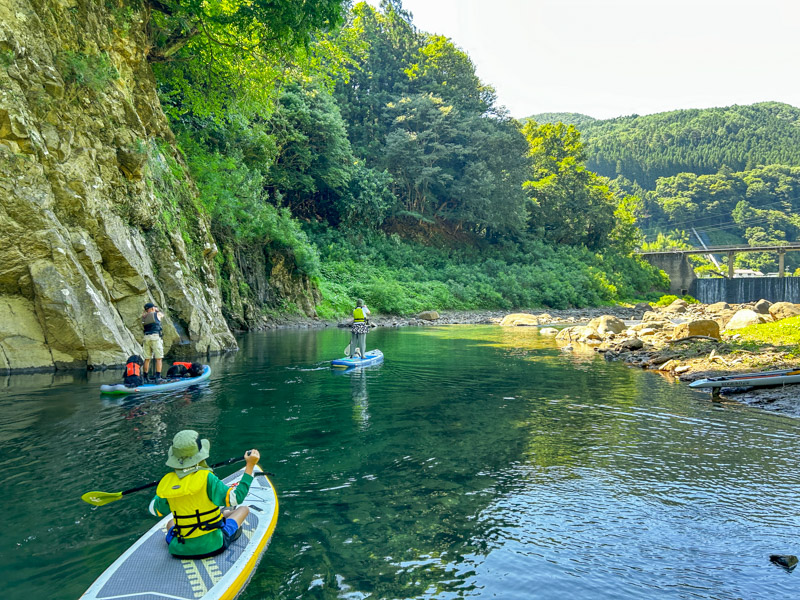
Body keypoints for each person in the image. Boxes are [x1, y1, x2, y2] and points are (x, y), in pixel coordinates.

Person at [148, 430, 260, 559]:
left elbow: (154, 510)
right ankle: (224, 515)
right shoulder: (208, 477)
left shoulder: (166, 482)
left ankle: (222, 514)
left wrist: (163, 488)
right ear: (199, 454)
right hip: (214, 545)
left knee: (171, 522)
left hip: (179, 549)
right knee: (243, 509)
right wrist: (250, 466)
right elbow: (236, 497)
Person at [141, 302, 164, 380]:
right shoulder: (157, 314)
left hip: (146, 338)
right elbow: (162, 315)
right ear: (152, 308)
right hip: (155, 337)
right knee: (159, 358)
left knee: (147, 359)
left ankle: (145, 377)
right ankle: (158, 377)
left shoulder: (143, 317)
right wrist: (157, 310)